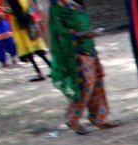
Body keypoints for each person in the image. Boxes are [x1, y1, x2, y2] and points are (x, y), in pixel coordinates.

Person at [48, 0, 121, 135]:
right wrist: (79, 34)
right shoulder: (57, 7)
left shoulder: (75, 2)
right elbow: (58, 32)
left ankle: (99, 117)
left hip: (89, 48)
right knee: (85, 85)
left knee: (97, 81)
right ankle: (73, 118)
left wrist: (89, 34)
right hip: (76, 52)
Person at [6, 0, 52, 81]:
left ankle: (39, 73)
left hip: (20, 26)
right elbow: (31, 7)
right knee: (37, 49)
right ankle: (52, 68)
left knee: (28, 50)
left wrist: (8, 10)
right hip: (30, 23)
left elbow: (15, 11)